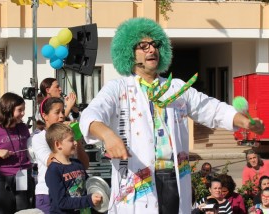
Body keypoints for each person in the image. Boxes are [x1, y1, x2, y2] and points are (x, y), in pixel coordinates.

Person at [79, 17, 265, 213]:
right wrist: (108, 135)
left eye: (155, 44)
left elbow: (211, 108)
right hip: (138, 179)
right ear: (129, 53)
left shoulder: (176, 88)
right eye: (143, 45)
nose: (152, 50)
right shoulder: (119, 88)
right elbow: (90, 115)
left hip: (174, 176)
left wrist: (244, 121)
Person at [31, 97, 89, 214]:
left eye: (63, 111)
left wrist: (75, 137)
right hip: (48, 194)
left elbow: (84, 165)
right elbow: (51, 161)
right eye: (57, 112)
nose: (62, 116)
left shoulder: (69, 139)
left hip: (73, 195)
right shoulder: (39, 138)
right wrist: (63, 137)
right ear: (45, 116)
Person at [45, 123, 102, 213]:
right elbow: (61, 202)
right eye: (71, 140)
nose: (75, 142)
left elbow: (88, 186)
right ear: (58, 144)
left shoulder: (77, 164)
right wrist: (89, 200)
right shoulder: (53, 171)